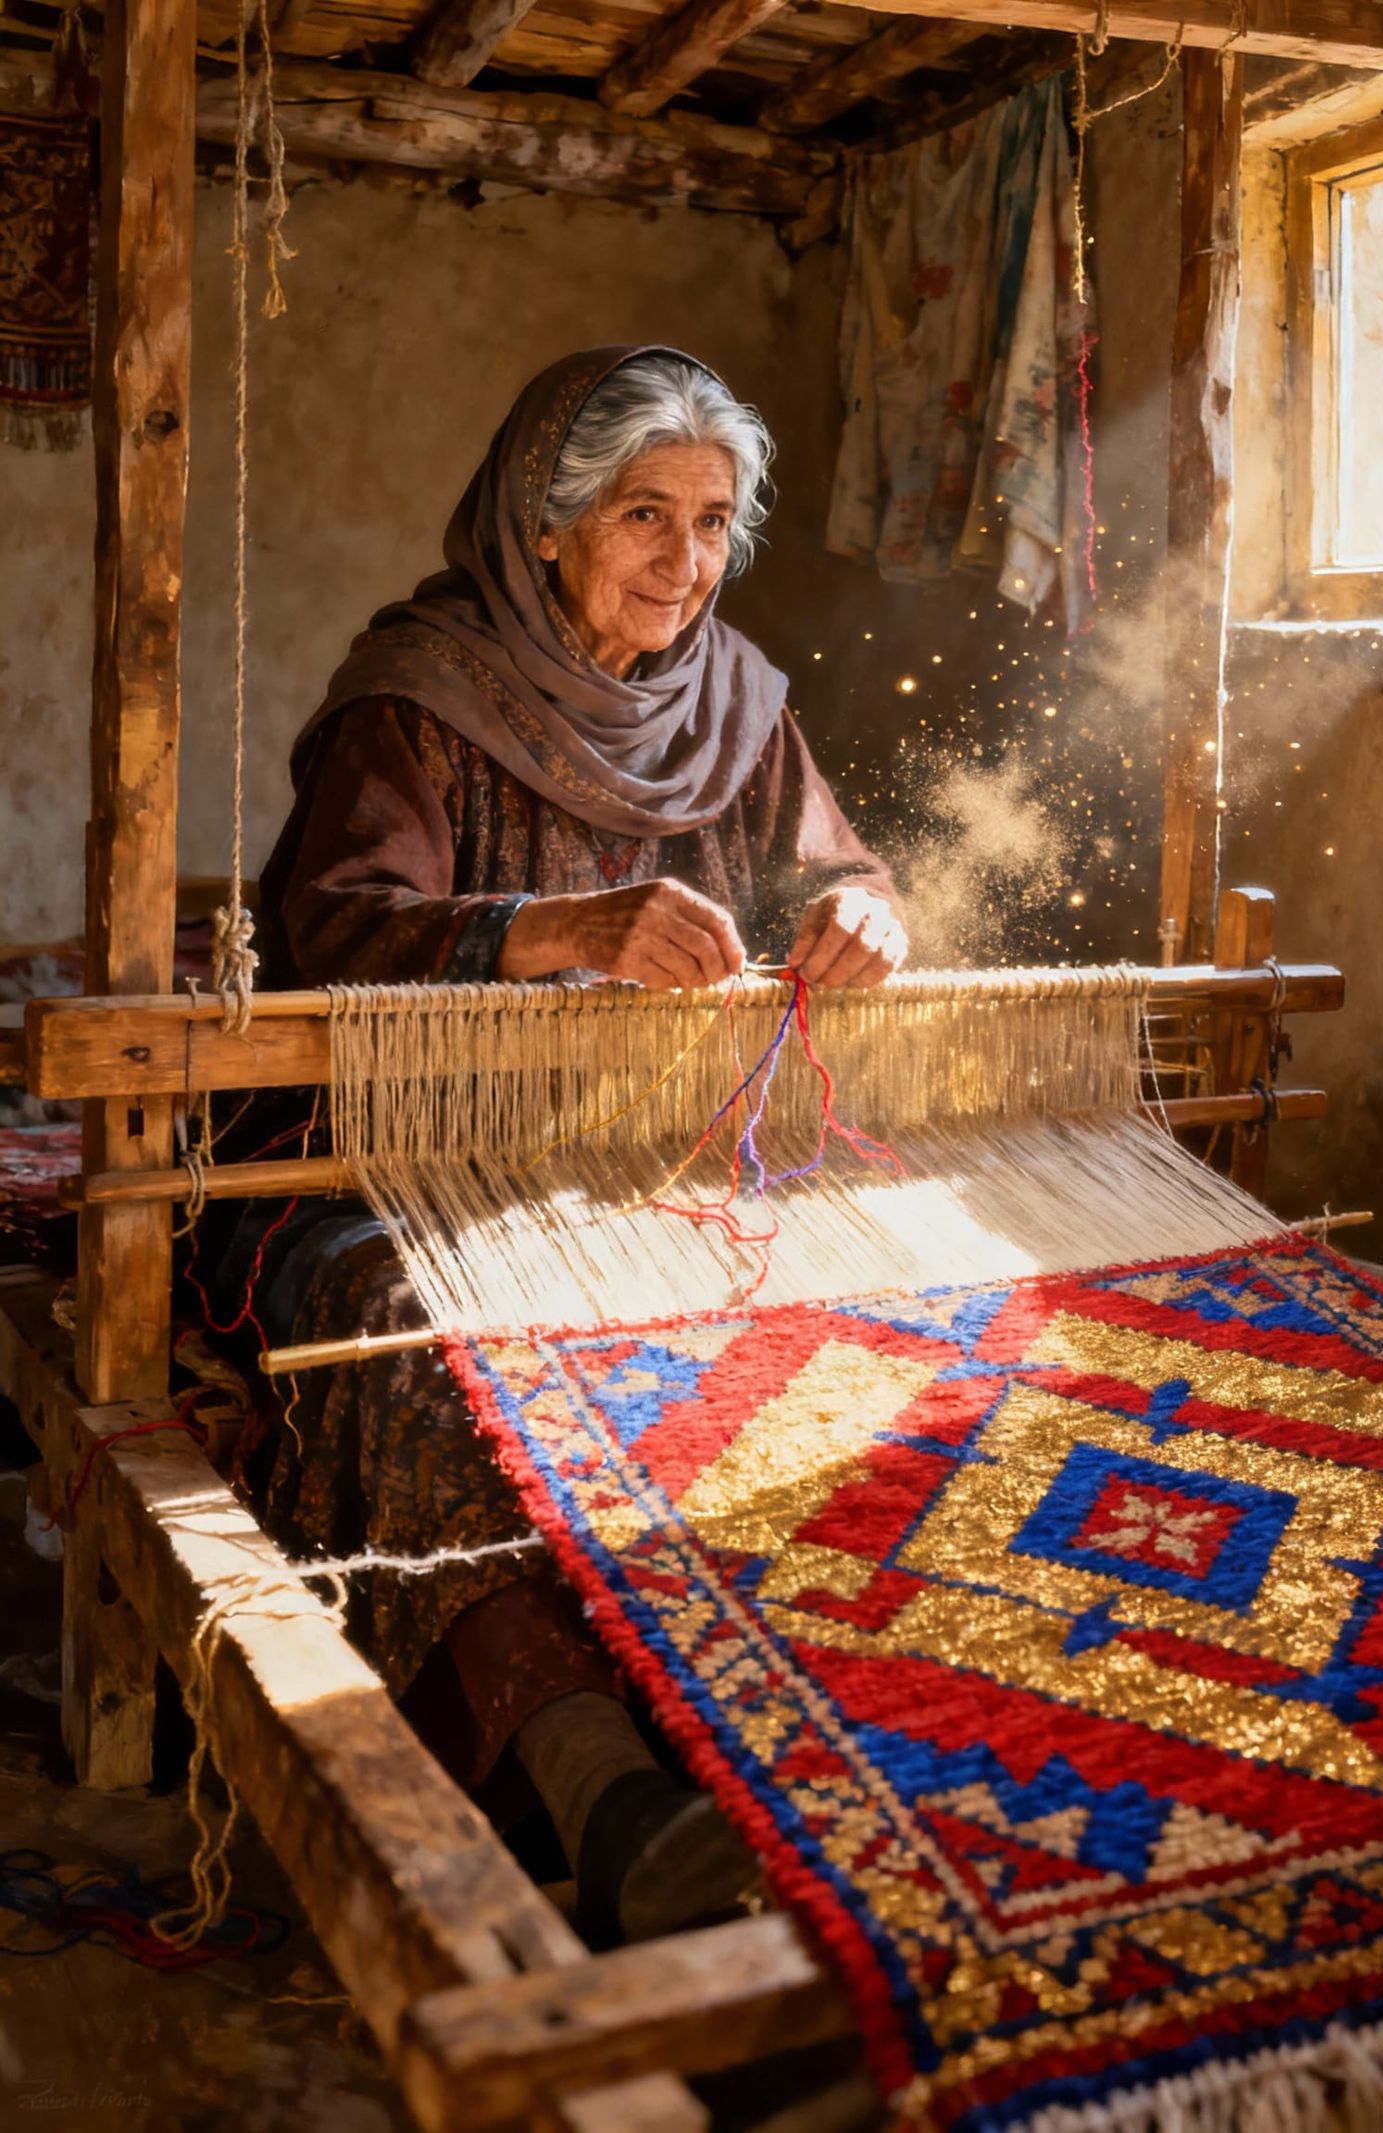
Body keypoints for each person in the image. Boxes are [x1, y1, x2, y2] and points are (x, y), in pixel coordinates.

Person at [224, 345, 906, 1946]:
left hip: (650, 1154)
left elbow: (846, 869)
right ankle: (598, 1779)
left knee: (848, 1298)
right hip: (387, 1164)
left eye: (713, 521)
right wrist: (556, 928)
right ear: (546, 523)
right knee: (419, 1337)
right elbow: (330, 928)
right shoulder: (418, 697)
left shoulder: (740, 706)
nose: (685, 561)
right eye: (642, 515)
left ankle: (819, 1716)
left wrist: (865, 912)